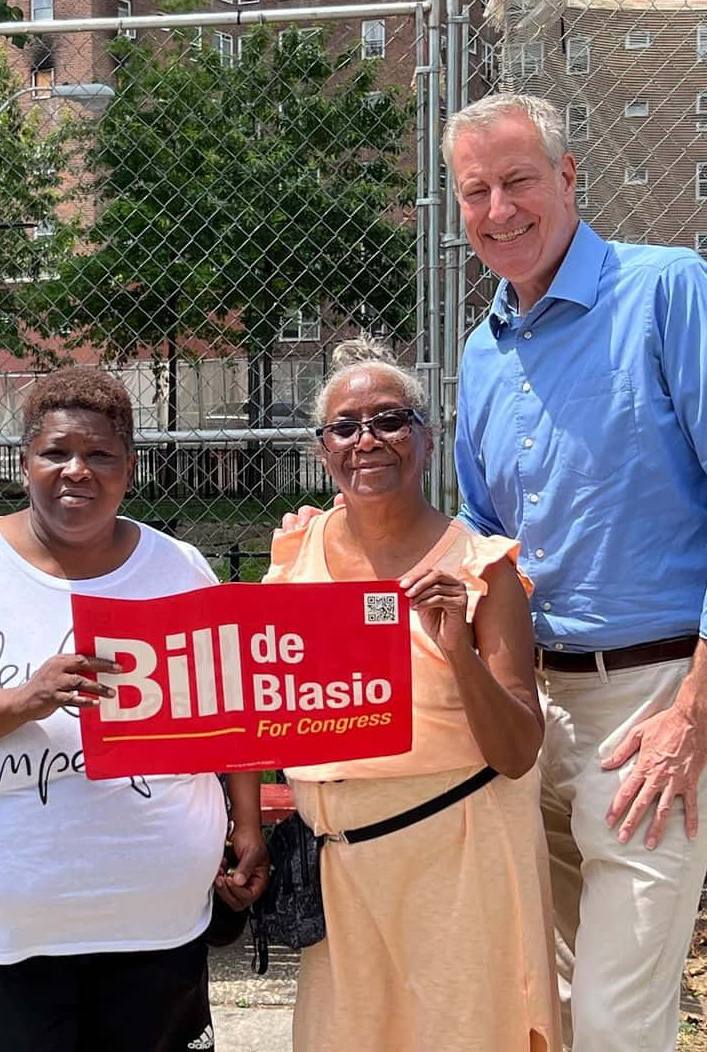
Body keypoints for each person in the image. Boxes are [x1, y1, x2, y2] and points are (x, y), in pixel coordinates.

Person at [0, 367, 269, 1052]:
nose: (77, 470)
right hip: (8, 944)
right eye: (56, 452)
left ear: (129, 468)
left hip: (159, 931)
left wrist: (247, 823)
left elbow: (232, 715)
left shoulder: (180, 568)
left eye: (99, 454)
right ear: (25, 463)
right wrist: (23, 700)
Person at [444, 93, 707, 1052]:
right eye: (475, 192)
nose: (499, 209)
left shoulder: (671, 292)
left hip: (652, 701)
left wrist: (692, 716)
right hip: (528, 704)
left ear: (567, 178)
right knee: (546, 1006)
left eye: (517, 181)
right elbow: (483, 529)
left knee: (615, 1020)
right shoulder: (482, 351)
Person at [267, 339, 560, 1052]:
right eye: (345, 426)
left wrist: (456, 646)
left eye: (390, 419)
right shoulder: (293, 553)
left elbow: (519, 750)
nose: (367, 439)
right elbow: (261, 707)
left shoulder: (482, 571)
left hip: (456, 859)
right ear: (322, 447)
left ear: (427, 439)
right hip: (339, 866)